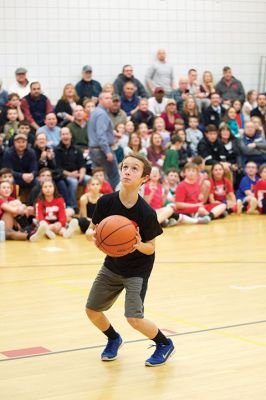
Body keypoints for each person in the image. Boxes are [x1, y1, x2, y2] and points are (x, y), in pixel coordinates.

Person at [85, 154, 175, 367]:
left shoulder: (146, 212)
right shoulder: (106, 202)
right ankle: (113, 338)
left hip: (137, 269)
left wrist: (136, 244)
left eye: (134, 169)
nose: (127, 171)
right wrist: (95, 236)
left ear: (144, 178)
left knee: (134, 318)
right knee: (92, 310)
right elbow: (91, 230)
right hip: (112, 264)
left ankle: (164, 344)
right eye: (125, 167)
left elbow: (150, 248)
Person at [88, 92, 120, 189]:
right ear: (100, 100)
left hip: (94, 150)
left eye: (111, 98)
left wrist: (112, 133)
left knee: (99, 178)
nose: (110, 100)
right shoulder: (102, 114)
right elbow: (100, 134)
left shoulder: (95, 112)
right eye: (107, 98)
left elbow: (97, 130)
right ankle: (115, 200)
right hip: (102, 150)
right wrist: (107, 151)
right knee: (113, 177)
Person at [55, 127, 90, 212]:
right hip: (65, 175)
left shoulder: (77, 149)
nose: (65, 136)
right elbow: (58, 168)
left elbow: (82, 164)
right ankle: (73, 206)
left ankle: (90, 205)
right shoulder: (57, 150)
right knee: (73, 182)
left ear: (70, 135)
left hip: (78, 174)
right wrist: (71, 174)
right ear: (60, 136)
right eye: (63, 134)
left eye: (67, 134)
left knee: (90, 179)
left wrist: (82, 173)